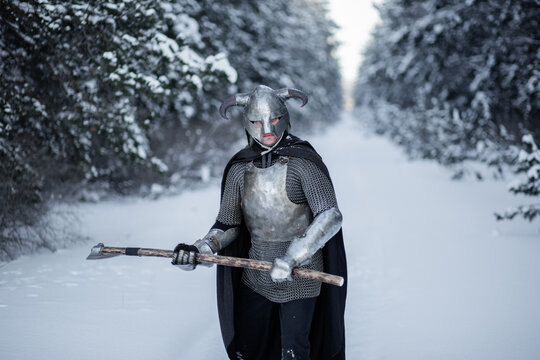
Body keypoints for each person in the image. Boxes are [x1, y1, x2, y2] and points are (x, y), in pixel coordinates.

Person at [172, 85, 347, 360]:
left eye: (275, 120)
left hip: (300, 276)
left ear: (285, 119)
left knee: (294, 353)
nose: (267, 129)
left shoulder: (303, 163)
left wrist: (292, 258)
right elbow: (229, 224)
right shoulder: (240, 168)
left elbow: (330, 215)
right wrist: (201, 250)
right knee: (251, 349)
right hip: (255, 276)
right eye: (257, 122)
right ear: (247, 123)